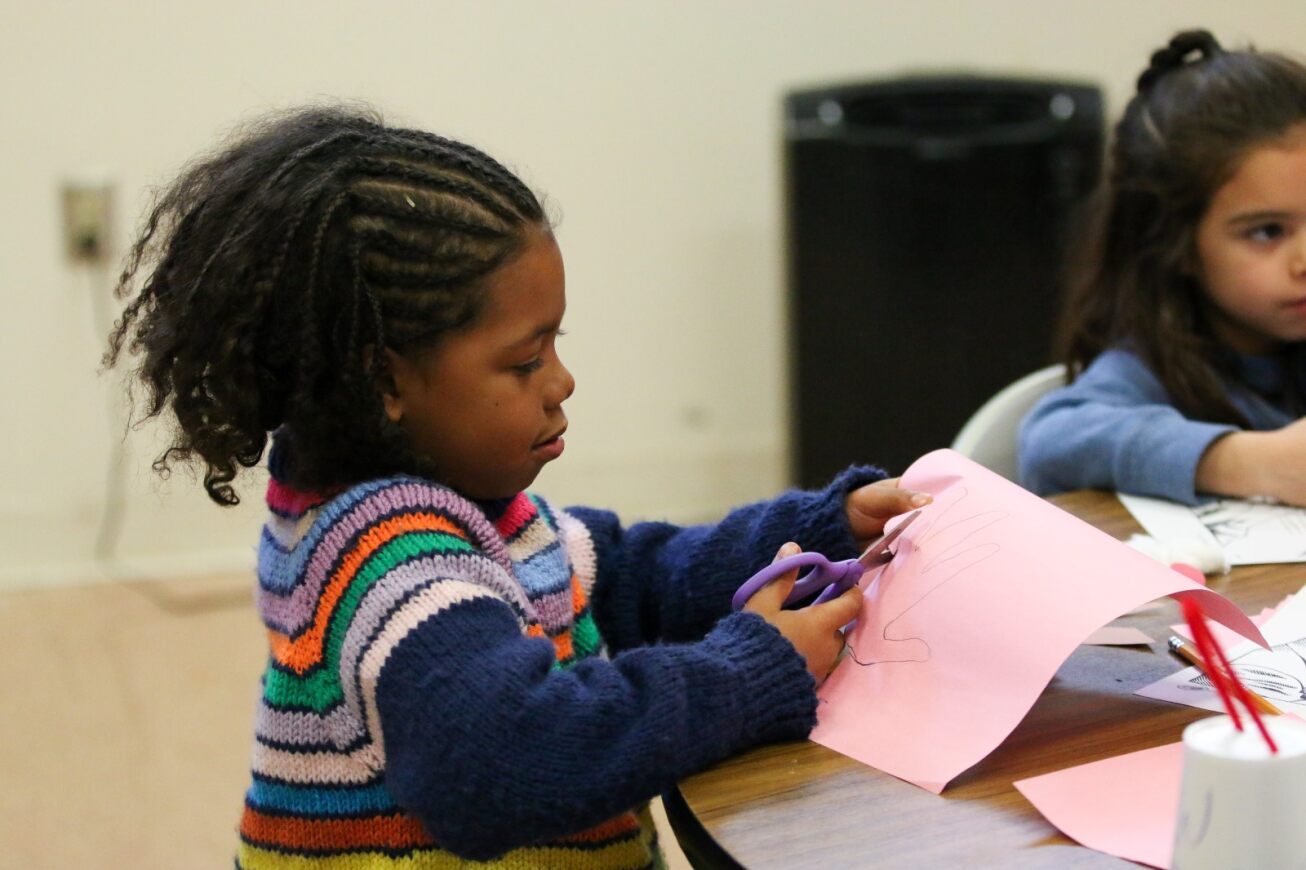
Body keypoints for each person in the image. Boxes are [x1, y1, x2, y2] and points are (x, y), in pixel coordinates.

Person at [105, 105, 929, 868]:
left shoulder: (474, 514)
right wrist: (746, 674)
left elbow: (632, 575)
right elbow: (510, 761)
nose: (562, 382)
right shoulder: (387, 563)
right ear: (384, 381)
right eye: (525, 360)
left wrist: (820, 529)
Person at [1018, 29, 1306, 506]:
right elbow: (1047, 441)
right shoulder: (1147, 369)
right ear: (1178, 244)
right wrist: (1249, 462)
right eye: (1267, 231)